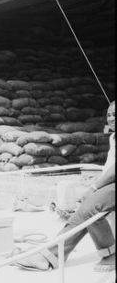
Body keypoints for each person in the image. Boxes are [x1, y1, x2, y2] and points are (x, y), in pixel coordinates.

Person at [13, 100, 115, 272]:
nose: (112, 118)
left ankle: (110, 254)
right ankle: (52, 254)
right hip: (110, 184)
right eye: (109, 115)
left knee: (91, 207)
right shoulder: (113, 137)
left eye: (115, 115)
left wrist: (94, 188)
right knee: (84, 210)